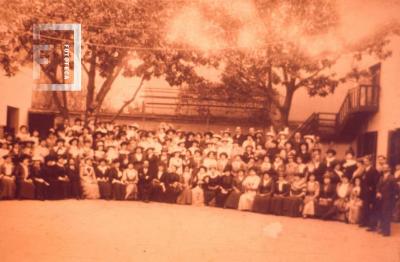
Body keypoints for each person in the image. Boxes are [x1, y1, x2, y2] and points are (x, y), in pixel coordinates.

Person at [369, 164, 399, 236]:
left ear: (389, 169)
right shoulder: (381, 177)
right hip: (381, 199)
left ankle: (387, 232)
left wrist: (390, 196)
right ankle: (382, 229)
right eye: (383, 168)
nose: (384, 169)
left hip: (388, 199)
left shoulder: (392, 178)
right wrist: (378, 192)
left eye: (386, 168)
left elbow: (396, 189)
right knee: (382, 214)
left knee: (387, 215)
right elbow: (378, 186)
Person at [359, 156, 381, 228]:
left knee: (370, 207)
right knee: (365, 207)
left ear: (370, 162)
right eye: (364, 161)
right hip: (364, 192)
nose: (365, 163)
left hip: (370, 193)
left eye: (367, 161)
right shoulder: (364, 170)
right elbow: (362, 181)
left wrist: (371, 189)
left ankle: (370, 223)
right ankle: (364, 222)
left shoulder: (374, 170)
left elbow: (376, 182)